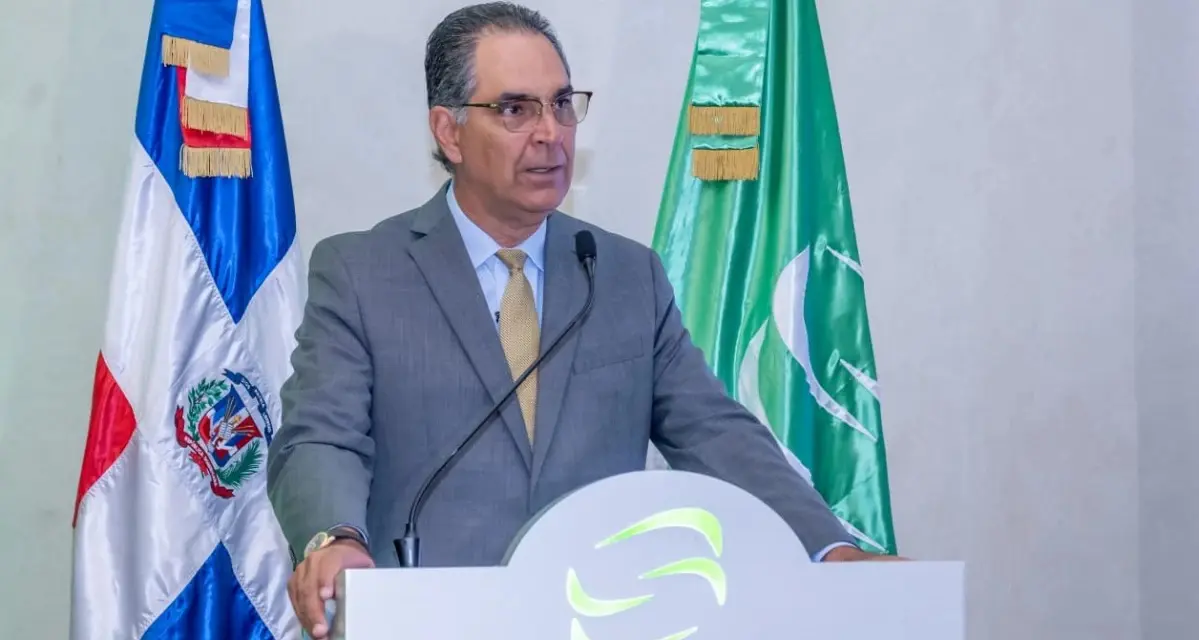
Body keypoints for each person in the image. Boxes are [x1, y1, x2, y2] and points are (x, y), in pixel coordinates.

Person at [267, 2, 901, 637]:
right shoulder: (363, 272)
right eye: (516, 109)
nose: (551, 132)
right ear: (448, 131)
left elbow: (714, 432)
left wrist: (827, 548)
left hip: (597, 619)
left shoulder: (625, 274)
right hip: (428, 620)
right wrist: (333, 536)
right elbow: (321, 436)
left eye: (562, 104)